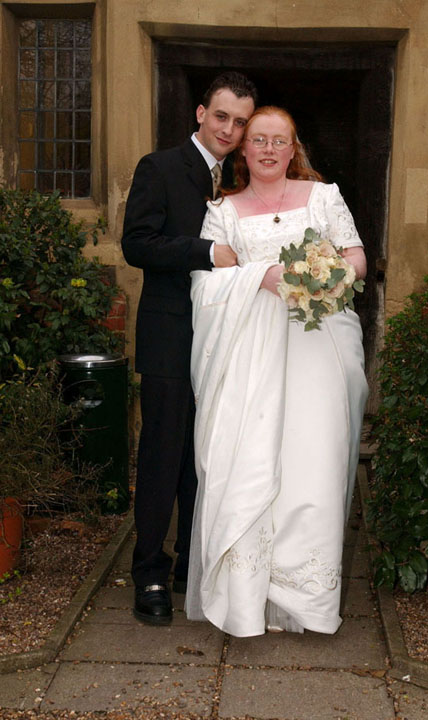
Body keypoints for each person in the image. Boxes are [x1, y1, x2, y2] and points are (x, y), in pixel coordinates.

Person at [186, 106, 369, 637]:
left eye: (279, 141)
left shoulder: (324, 197)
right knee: (250, 461)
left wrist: (327, 277)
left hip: (320, 349)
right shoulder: (222, 210)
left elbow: (357, 258)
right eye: (259, 140)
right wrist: (260, 277)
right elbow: (205, 282)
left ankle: (305, 597)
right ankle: (248, 593)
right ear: (244, 149)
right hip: (250, 357)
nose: (268, 149)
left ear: (294, 149)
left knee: (314, 464)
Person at [121, 72, 257, 625]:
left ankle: (190, 565)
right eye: (221, 116)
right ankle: (150, 571)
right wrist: (204, 251)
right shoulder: (158, 167)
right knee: (162, 454)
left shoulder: (243, 177)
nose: (229, 129)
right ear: (201, 113)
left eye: (240, 122)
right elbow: (136, 244)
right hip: (170, 334)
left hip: (227, 339)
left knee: (208, 456)